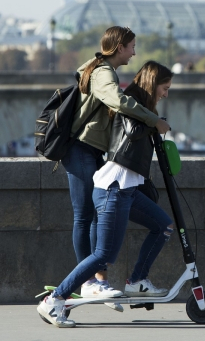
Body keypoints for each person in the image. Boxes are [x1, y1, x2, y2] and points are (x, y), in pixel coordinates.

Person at [38, 61, 175, 328]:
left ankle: (137, 281)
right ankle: (54, 300)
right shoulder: (132, 107)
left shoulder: (142, 109)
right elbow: (131, 131)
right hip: (113, 189)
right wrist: (154, 124)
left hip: (127, 189)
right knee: (103, 254)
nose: (166, 93)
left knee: (164, 227)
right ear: (152, 83)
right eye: (165, 88)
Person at [59, 27, 170, 303]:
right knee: (84, 215)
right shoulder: (103, 71)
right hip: (81, 148)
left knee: (94, 215)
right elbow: (117, 100)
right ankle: (88, 283)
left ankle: (97, 281)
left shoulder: (104, 70)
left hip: (93, 150)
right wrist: (152, 119)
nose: (134, 52)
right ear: (119, 46)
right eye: (132, 46)